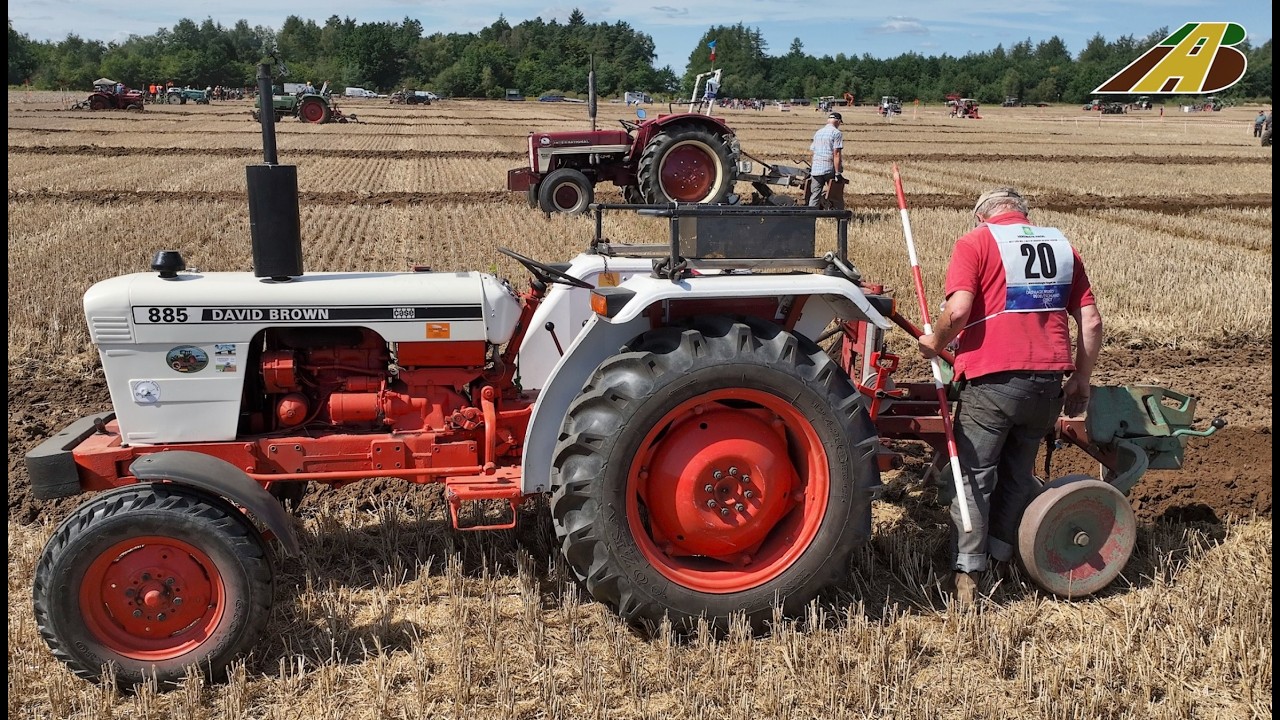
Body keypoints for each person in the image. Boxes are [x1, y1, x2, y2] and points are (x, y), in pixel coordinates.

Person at [918, 187, 1103, 606]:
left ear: (981, 217)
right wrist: (1081, 380)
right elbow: (1090, 322)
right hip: (1046, 381)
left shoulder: (976, 242)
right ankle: (1002, 558)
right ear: (1024, 216)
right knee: (1019, 473)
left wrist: (935, 340)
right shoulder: (1061, 246)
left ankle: (968, 574)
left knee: (975, 476)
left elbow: (960, 310)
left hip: (994, 379)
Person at [807, 112, 843, 207]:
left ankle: (810, 218)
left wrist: (812, 168)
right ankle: (840, 217)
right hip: (828, 168)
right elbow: (836, 154)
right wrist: (838, 173)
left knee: (814, 196)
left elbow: (813, 152)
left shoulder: (818, 132)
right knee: (836, 195)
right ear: (838, 121)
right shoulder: (837, 133)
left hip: (816, 169)